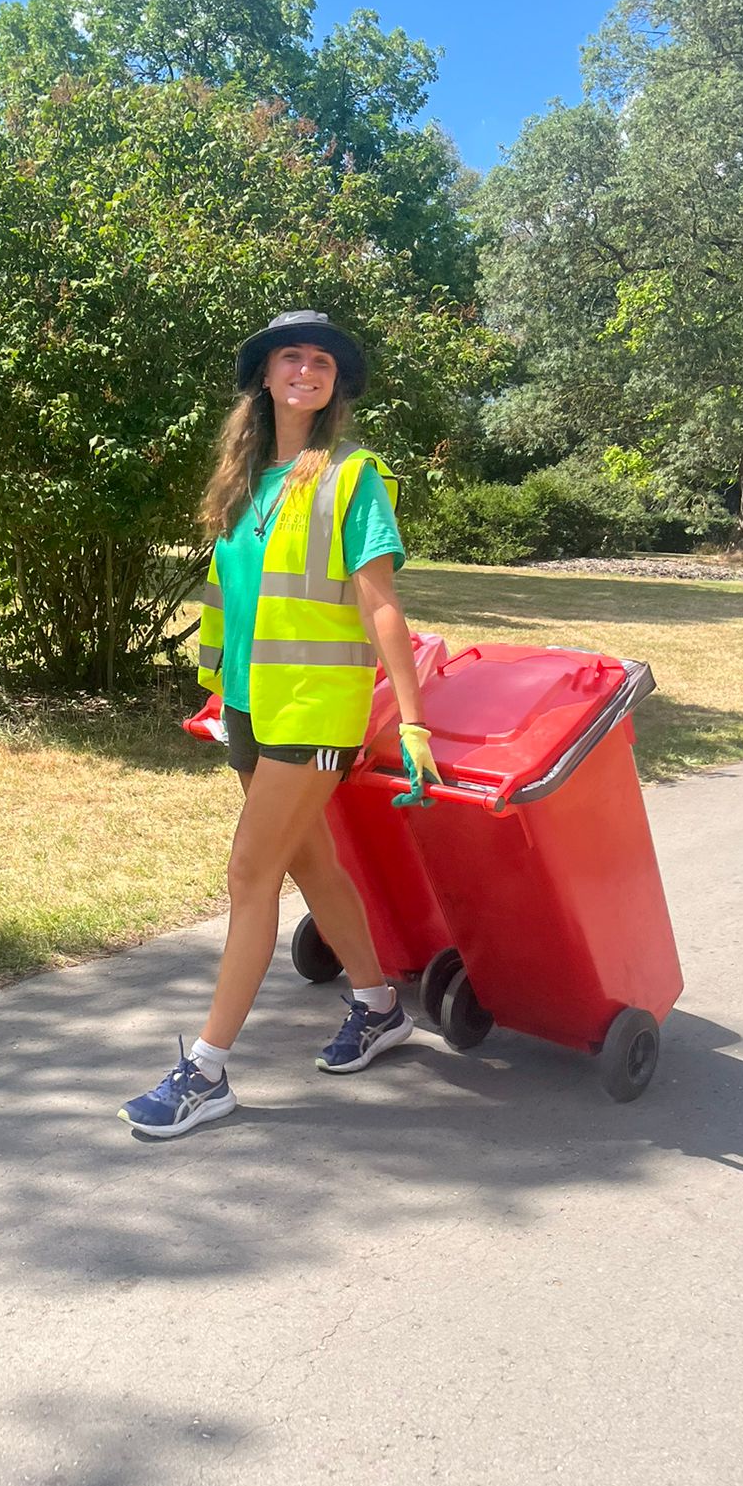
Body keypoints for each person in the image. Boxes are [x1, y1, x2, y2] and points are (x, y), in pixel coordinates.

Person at [119, 309, 443, 1139]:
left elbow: (381, 604)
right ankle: (378, 1006)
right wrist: (215, 691)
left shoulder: (352, 476)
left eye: (322, 361)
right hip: (249, 705)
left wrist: (413, 723)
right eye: (291, 357)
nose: (307, 369)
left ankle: (206, 1072)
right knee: (310, 862)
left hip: (315, 708)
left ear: (336, 383)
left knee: (249, 873)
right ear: (265, 376)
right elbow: (237, 600)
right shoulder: (245, 481)